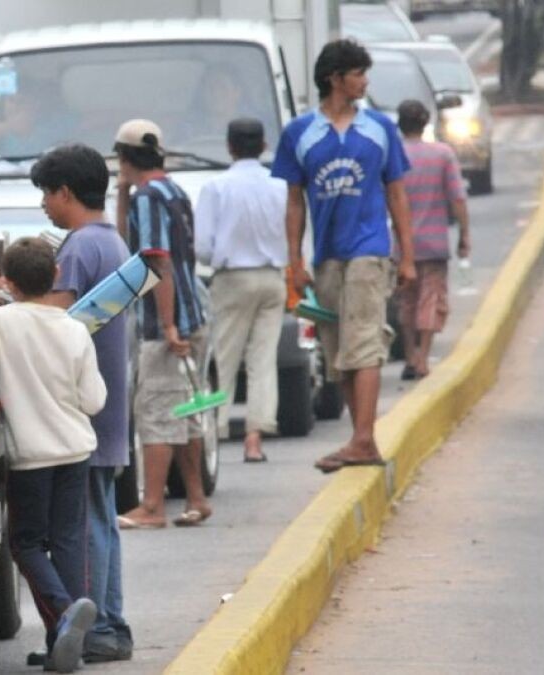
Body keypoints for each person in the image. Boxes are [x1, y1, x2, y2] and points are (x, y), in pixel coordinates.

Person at [0, 237, 103, 673]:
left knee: (26, 544)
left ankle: (65, 615)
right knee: (68, 542)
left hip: (31, 457)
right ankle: (66, 643)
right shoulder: (73, 328)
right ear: (56, 277)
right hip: (75, 450)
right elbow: (95, 400)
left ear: (8, 280)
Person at [270, 39, 415, 474]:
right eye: (358, 73)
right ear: (336, 79)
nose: (365, 81)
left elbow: (396, 193)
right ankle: (361, 438)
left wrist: (406, 254)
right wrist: (294, 261)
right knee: (340, 353)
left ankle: (364, 439)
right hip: (327, 255)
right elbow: (294, 202)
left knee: (365, 342)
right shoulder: (300, 133)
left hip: (369, 250)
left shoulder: (379, 129)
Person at [13, 144, 134, 664]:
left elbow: (51, 322)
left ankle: (99, 627)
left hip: (79, 410)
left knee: (85, 527)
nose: (44, 203)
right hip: (104, 403)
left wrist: (10, 301)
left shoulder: (79, 247)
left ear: (65, 192)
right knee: (100, 519)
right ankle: (109, 622)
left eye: (46, 192)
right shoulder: (110, 240)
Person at [112, 120, 212, 529]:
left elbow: (157, 262)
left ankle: (152, 506)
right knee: (185, 411)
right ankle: (196, 497)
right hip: (195, 314)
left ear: (123, 157)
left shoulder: (148, 198)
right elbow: (128, 244)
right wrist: (121, 194)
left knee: (156, 411)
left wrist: (168, 326)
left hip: (166, 323)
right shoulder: (171, 190)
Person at [194, 119, 288, 462]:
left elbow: (202, 247)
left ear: (229, 147)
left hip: (232, 278)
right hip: (273, 277)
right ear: (264, 145)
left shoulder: (216, 187)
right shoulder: (280, 185)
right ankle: (255, 437)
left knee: (224, 357)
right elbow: (295, 234)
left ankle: (215, 430)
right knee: (263, 360)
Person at [395, 99, 470, 380]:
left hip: (401, 247)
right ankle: (423, 358)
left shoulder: (393, 156)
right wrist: (464, 235)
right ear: (425, 123)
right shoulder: (442, 154)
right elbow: (458, 199)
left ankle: (410, 356)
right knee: (430, 299)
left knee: (406, 302)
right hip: (434, 243)